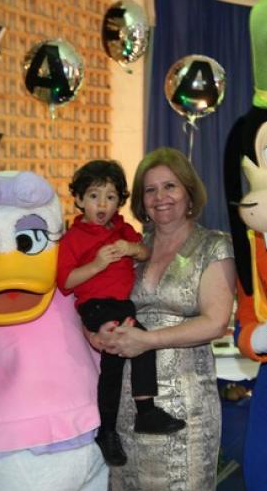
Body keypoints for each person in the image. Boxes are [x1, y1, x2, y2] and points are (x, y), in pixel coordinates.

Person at [92, 147, 236, 491]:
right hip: (130, 398)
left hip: (186, 402)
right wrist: (99, 331)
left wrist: (147, 340)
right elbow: (98, 298)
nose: (160, 197)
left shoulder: (214, 245)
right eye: (150, 190)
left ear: (189, 191)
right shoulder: (132, 248)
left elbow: (216, 322)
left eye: (170, 186)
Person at [57, 160, 186, 468]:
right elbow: (65, 281)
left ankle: (142, 413)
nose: (102, 204)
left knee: (140, 347)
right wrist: (97, 264)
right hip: (96, 306)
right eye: (94, 196)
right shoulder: (73, 238)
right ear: (79, 200)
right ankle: (112, 428)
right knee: (116, 364)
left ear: (120, 202)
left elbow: (146, 252)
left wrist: (130, 249)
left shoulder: (122, 229)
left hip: (122, 305)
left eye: (111, 197)